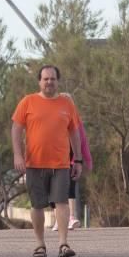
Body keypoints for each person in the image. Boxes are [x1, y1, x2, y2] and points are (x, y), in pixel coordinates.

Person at [12, 65, 83, 257]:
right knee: (37, 205)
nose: (49, 82)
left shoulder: (66, 104)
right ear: (39, 81)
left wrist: (77, 159)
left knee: (61, 202)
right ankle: (40, 244)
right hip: (34, 163)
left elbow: (75, 132)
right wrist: (18, 155)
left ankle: (63, 244)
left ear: (57, 81)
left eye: (52, 79)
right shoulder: (28, 102)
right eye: (45, 79)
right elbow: (16, 129)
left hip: (60, 163)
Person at [50, 93, 93, 231]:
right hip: (54, 160)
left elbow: (83, 143)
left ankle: (72, 217)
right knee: (54, 190)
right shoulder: (53, 119)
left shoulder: (77, 121)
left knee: (70, 188)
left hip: (71, 160)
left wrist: (86, 160)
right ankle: (58, 219)